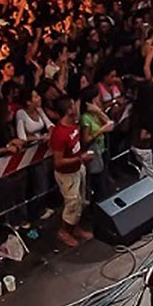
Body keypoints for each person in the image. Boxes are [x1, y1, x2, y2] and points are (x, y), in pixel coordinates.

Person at [48, 96, 94, 247]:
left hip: (77, 169)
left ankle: (75, 228)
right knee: (72, 203)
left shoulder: (73, 125)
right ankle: (64, 231)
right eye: (74, 105)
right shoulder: (59, 134)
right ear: (69, 110)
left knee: (79, 202)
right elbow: (58, 161)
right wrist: (80, 159)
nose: (76, 107)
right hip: (66, 174)